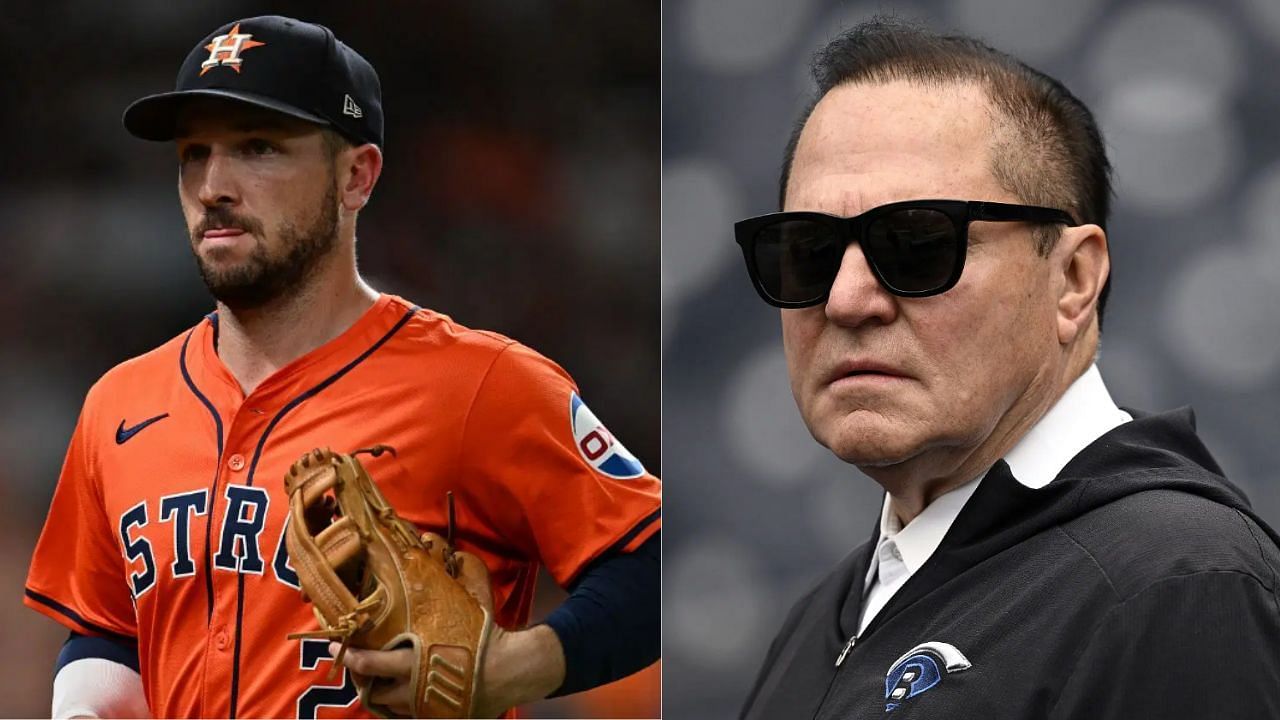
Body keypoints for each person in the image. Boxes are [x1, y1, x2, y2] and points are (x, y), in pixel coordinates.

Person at [24, 16, 661, 719]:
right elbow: (110, 628)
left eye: (257, 148)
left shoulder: (482, 385)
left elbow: (655, 562)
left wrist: (514, 667)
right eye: (193, 153)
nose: (213, 185)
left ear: (356, 176)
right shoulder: (120, 403)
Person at [733, 18, 1280, 720]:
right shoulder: (816, 624)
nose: (845, 299)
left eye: (917, 243)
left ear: (1074, 278)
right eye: (807, 251)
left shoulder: (1180, 584)